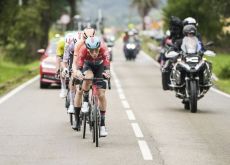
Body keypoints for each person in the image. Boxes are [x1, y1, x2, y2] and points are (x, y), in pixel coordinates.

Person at [75, 36, 110, 137]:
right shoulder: (83, 50)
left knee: (101, 95)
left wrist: (107, 72)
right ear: (87, 49)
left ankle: (102, 125)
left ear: (99, 48)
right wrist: (78, 73)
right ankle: (85, 101)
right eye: (91, 51)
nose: (94, 53)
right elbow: (79, 66)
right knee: (88, 77)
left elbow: (107, 66)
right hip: (88, 66)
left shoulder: (104, 49)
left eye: (96, 50)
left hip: (100, 67)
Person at [71, 27, 96, 130]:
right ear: (83, 37)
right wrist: (76, 72)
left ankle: (96, 110)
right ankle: (77, 120)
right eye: (86, 39)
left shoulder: (97, 43)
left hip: (93, 66)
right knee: (79, 90)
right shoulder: (79, 45)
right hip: (81, 65)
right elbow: (74, 62)